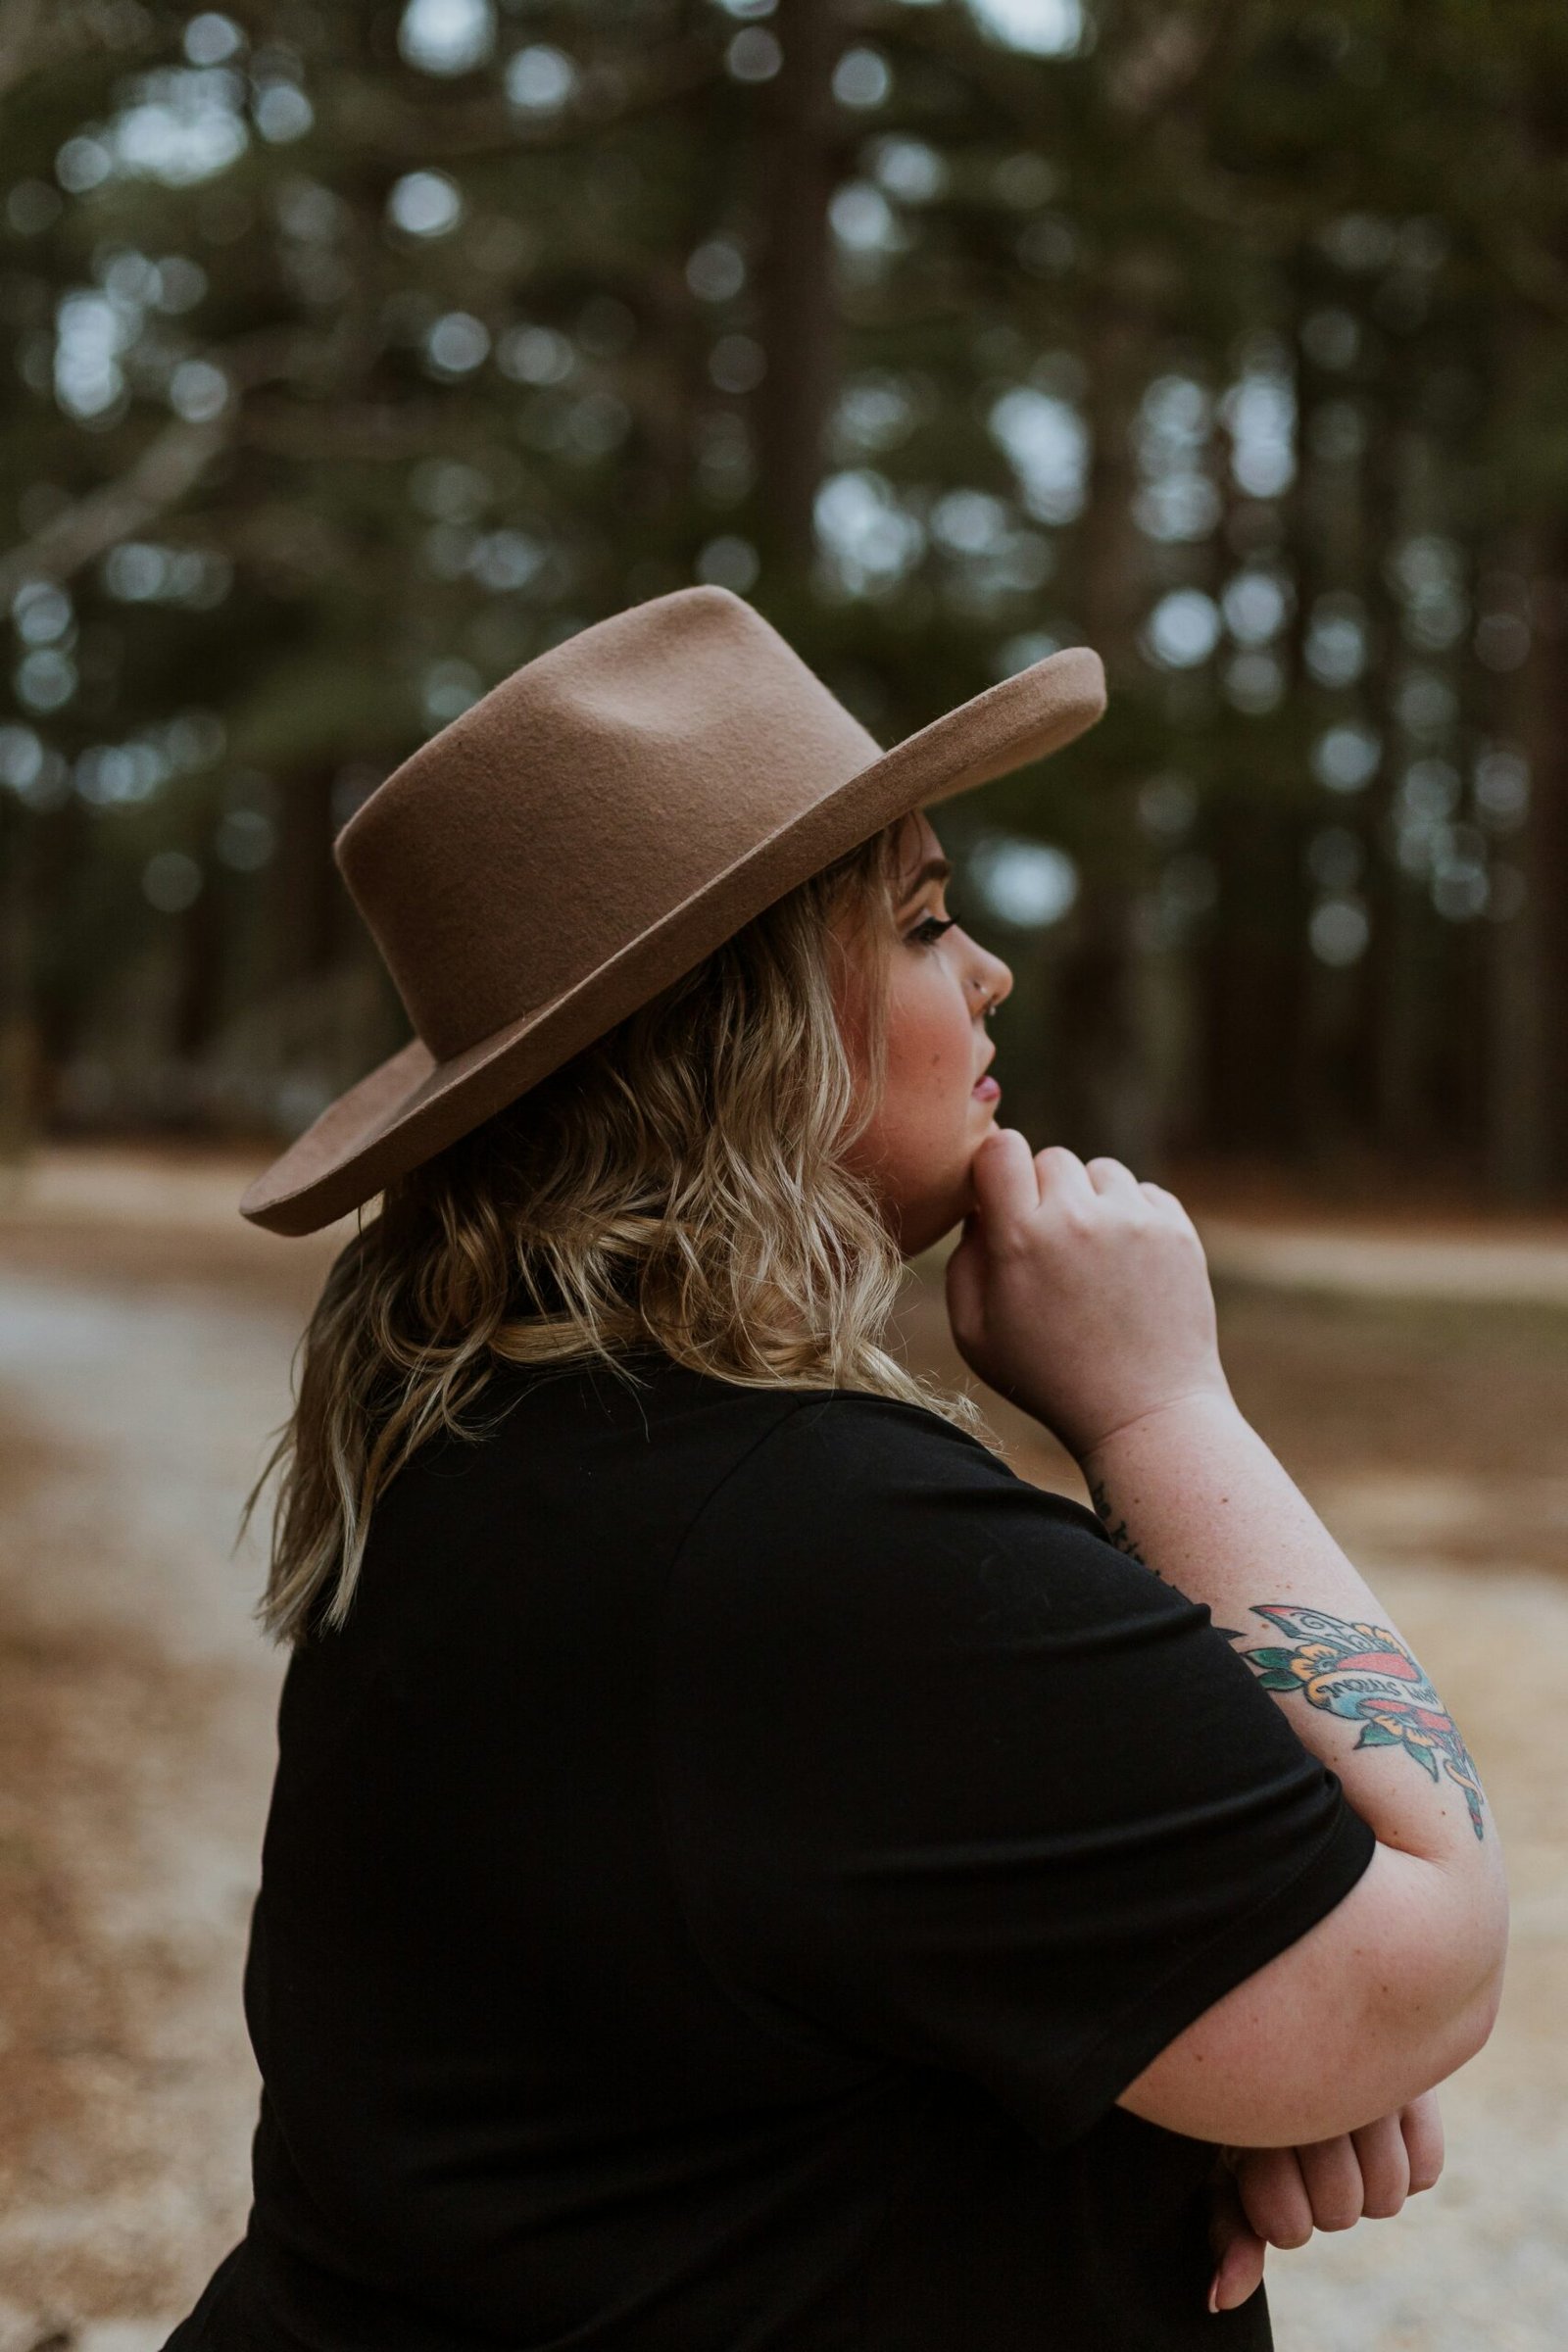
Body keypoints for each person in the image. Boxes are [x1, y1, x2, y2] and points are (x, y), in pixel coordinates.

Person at [162, 586, 1506, 2350]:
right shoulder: (804, 1544)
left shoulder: (508, 1446)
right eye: (925, 921)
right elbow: (1426, 1959)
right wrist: (1167, 1409)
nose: (988, 970)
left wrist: (1226, 2062)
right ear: (748, 1031)